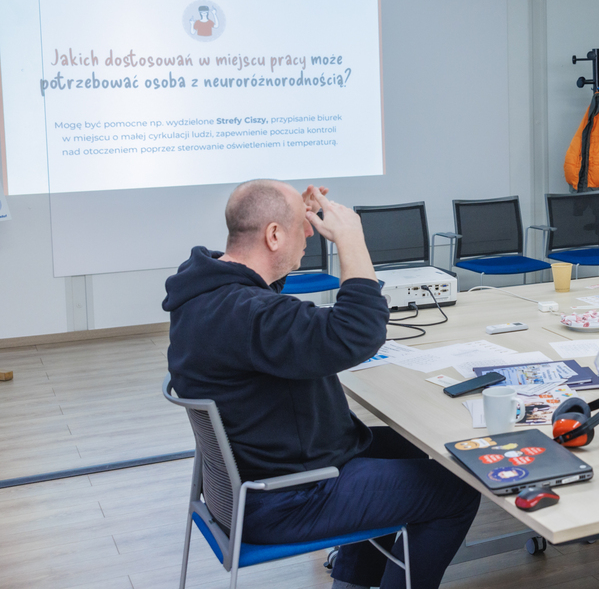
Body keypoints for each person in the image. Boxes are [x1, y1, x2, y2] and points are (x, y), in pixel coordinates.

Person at [164, 180, 479, 589]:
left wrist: (295, 211)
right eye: (302, 224)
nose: (312, 233)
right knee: (460, 489)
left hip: (264, 476)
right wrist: (352, 241)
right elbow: (358, 333)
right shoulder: (250, 314)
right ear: (274, 234)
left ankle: (351, 582)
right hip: (288, 497)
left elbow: (264, 302)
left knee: (420, 447)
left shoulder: (207, 293)